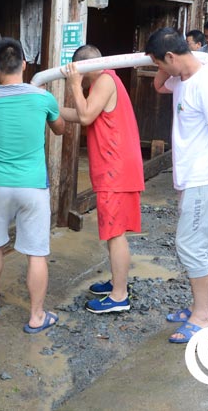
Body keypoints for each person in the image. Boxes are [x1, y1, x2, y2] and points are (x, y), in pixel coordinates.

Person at [145, 27, 208, 343]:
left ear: (172, 57)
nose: (160, 70)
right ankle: (204, 306)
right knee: (199, 241)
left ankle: (201, 316)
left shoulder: (206, 83)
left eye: (161, 62)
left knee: (189, 242)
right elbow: (158, 85)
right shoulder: (185, 73)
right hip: (190, 177)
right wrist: (161, 64)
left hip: (204, 177)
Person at [0, 37, 65, 334]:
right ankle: (37, 316)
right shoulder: (43, 99)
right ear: (25, 65)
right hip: (32, 187)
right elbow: (60, 129)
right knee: (36, 252)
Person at [60, 45, 145, 314]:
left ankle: (119, 296)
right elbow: (84, 114)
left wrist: (73, 83)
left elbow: (84, 114)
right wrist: (50, 107)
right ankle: (117, 283)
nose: (80, 80)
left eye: (80, 74)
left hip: (116, 170)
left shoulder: (105, 80)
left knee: (115, 234)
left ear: (84, 67)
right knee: (114, 233)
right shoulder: (106, 80)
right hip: (116, 168)